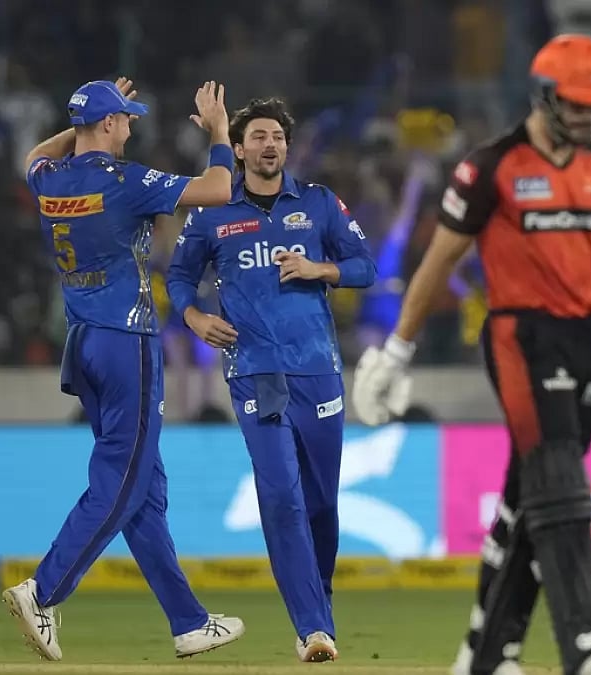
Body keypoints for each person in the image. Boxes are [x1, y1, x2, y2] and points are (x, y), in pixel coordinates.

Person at [351, 34, 591, 675]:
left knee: (528, 495)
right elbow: (440, 260)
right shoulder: (489, 166)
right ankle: (588, 646)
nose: (587, 121)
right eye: (577, 107)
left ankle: (486, 651)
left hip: (589, 343)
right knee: (560, 485)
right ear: (546, 97)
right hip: (521, 337)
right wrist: (396, 350)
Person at [2, 78, 245, 660]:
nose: (131, 127)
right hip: (127, 341)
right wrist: (218, 132)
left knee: (144, 489)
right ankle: (45, 589)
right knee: (122, 480)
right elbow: (218, 187)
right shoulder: (125, 182)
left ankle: (188, 622)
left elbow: (38, 155)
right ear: (108, 125)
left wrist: (84, 121)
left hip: (84, 342)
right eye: (125, 119)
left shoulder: (50, 179)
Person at [165, 96, 376, 663]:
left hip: (319, 372)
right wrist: (194, 317)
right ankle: (311, 627)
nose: (269, 145)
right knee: (281, 495)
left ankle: (319, 612)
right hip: (255, 373)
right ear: (237, 149)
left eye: (277, 137)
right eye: (257, 136)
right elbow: (179, 277)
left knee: (321, 504)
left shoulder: (318, 203)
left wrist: (320, 269)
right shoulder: (213, 211)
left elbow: (365, 265)